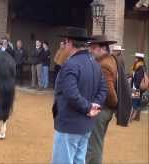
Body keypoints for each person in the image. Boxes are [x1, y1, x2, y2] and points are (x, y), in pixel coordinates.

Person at [52, 27, 108, 164]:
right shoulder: (95, 64)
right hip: (86, 124)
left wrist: (89, 107)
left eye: (65, 42)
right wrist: (94, 105)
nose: (64, 46)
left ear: (70, 43)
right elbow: (103, 89)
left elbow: (71, 94)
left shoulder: (70, 64)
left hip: (70, 123)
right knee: (79, 160)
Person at [86, 36, 132, 164]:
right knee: (96, 143)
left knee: (93, 145)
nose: (91, 51)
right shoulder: (110, 59)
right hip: (105, 109)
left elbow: (109, 92)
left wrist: (112, 105)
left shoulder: (104, 64)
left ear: (102, 49)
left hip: (102, 109)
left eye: (94, 48)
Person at [130, 52, 146, 121]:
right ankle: (132, 117)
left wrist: (135, 88)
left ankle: (130, 118)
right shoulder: (139, 66)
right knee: (136, 103)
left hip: (136, 88)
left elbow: (138, 79)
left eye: (136, 58)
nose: (135, 59)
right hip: (138, 88)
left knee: (134, 103)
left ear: (139, 59)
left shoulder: (140, 67)